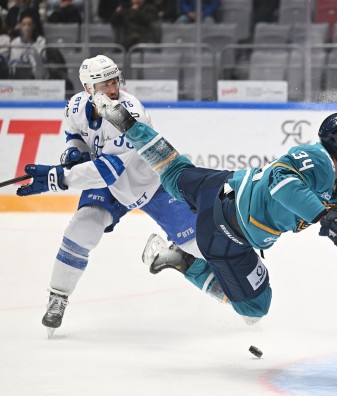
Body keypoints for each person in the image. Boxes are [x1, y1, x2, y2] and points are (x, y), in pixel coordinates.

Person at [91, 94, 337, 320]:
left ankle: (128, 124)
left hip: (223, 184)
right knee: (254, 309)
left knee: (175, 171)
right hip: (225, 232)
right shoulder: (316, 158)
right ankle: (186, 262)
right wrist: (325, 217)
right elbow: (281, 180)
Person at [15, 55, 220, 336]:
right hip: (109, 186)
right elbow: (75, 135)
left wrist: (59, 178)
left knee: (199, 243)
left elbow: (109, 170)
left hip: (151, 184)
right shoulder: (75, 106)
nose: (113, 90)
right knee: (83, 226)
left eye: (115, 82)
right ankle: (58, 297)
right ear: (88, 88)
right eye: (105, 85)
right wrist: (74, 152)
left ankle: (236, 292)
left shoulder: (128, 113)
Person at [8, 12, 45, 78]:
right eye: (24, 24)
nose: (27, 27)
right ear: (20, 26)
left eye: (29, 24)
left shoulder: (41, 41)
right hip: (18, 76)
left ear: (34, 26)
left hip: (36, 77)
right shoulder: (15, 42)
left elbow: (42, 62)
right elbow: (13, 62)